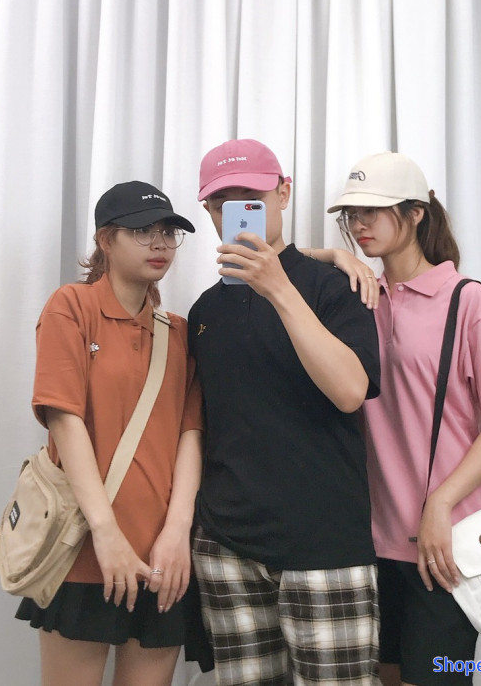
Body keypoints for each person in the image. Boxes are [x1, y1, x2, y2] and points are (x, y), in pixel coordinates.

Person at [319, 152, 481, 685]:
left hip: (444, 542)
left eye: (374, 210)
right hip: (368, 539)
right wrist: (334, 256)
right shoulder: (359, 298)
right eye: (352, 215)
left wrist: (440, 503)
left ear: (416, 213)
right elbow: (283, 261)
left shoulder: (468, 302)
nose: (359, 225)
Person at [188, 139, 382, 685]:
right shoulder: (204, 311)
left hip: (325, 541)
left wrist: (280, 287)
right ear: (208, 212)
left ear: (283, 193)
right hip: (226, 545)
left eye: (250, 198)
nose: (235, 212)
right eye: (221, 202)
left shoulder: (335, 286)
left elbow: (350, 391)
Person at [15, 181, 203, 686]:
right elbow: (64, 419)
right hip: (84, 549)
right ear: (105, 239)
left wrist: (177, 532)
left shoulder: (179, 332)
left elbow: (191, 435)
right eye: (142, 231)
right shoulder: (72, 307)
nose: (159, 243)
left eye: (168, 232)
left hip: (162, 558)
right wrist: (106, 531)